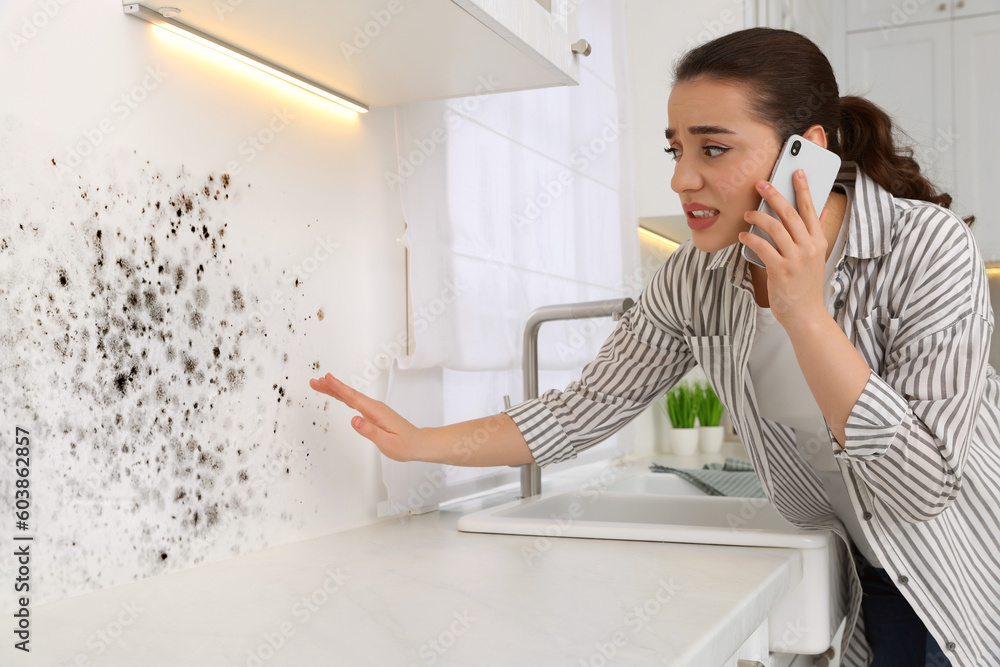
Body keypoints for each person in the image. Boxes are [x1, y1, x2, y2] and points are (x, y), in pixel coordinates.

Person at [311, 27, 1000, 667]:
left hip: (970, 569)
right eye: (676, 148)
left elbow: (922, 489)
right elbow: (584, 407)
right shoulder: (695, 278)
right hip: (874, 578)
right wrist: (421, 441)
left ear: (809, 152)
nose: (682, 178)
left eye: (714, 148)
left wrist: (805, 315)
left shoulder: (927, 248)